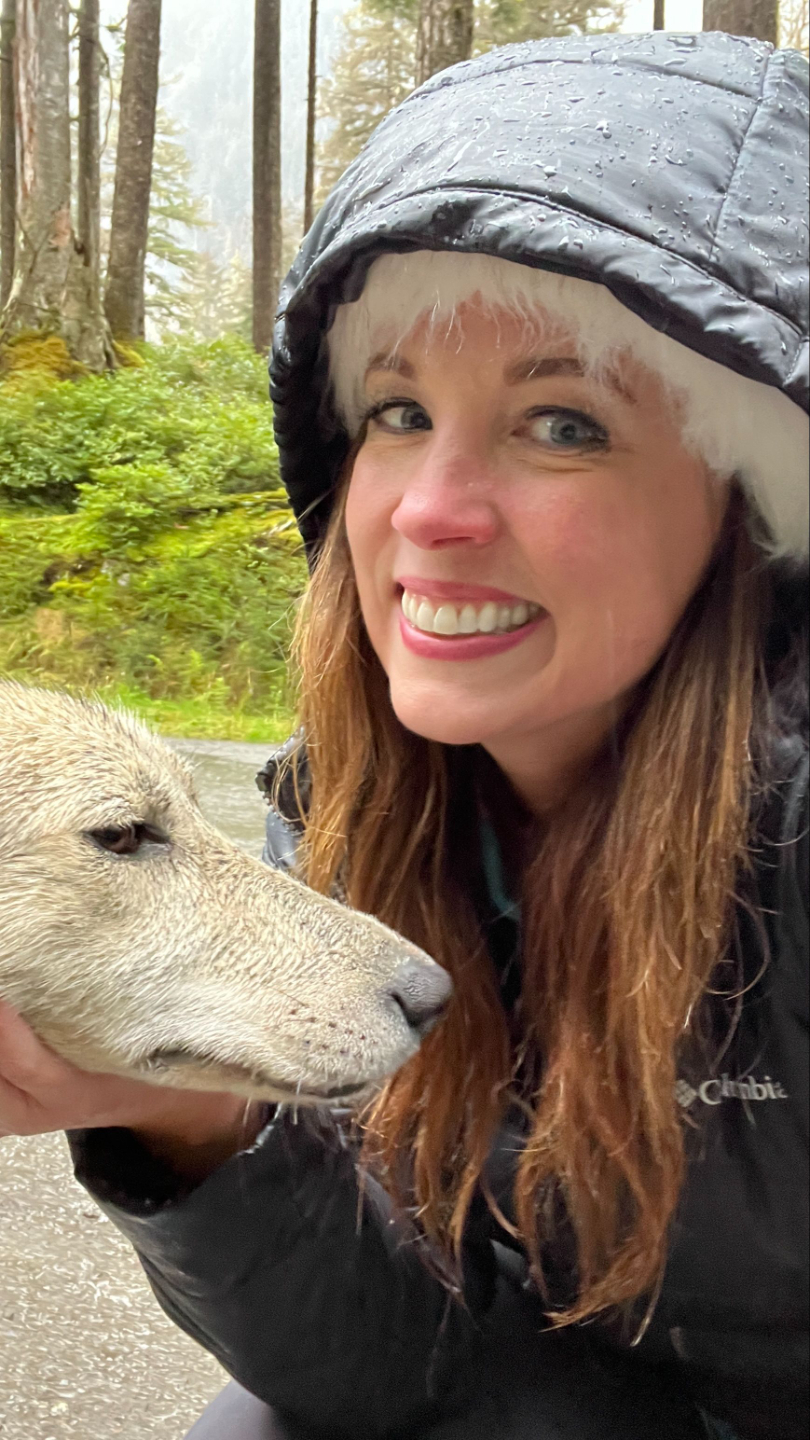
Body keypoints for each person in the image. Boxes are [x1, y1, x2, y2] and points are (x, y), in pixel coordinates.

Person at [0, 29, 807, 1440]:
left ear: (749, 506)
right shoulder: (356, 815)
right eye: (394, 413)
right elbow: (399, 1367)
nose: (428, 510)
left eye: (561, 422)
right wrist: (182, 1122)